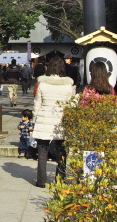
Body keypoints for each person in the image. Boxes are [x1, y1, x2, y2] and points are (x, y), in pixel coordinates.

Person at [32, 55, 75, 188]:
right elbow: (71, 106)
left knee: (42, 151)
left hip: (44, 119)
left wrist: (35, 119)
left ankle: (41, 180)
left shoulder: (42, 85)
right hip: (60, 120)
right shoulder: (69, 86)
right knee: (61, 151)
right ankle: (60, 179)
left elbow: (37, 104)